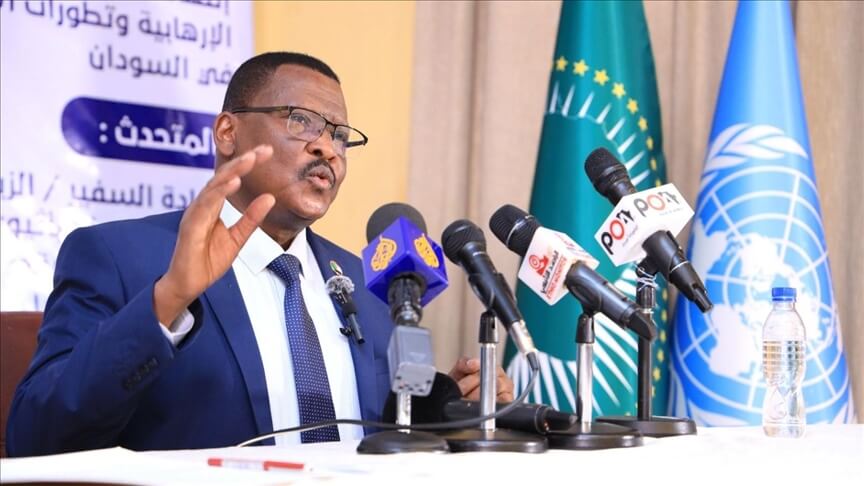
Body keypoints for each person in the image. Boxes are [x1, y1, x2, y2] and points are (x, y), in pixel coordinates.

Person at [6, 52, 513, 457]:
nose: (328, 149)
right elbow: (35, 437)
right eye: (302, 121)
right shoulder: (119, 256)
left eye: (339, 135)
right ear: (228, 133)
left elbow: (373, 433)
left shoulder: (366, 280)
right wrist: (167, 302)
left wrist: (449, 411)